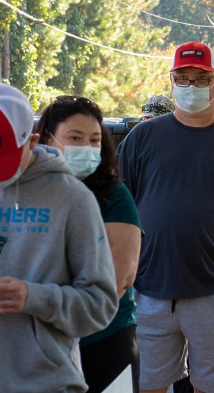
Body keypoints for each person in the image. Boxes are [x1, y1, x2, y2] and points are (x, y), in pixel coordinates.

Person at [118, 41, 214, 393]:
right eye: (183, 78)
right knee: (147, 387)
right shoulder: (142, 138)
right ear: (171, 80)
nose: (191, 86)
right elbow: (119, 212)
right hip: (150, 293)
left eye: (201, 78)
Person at [0, 84, 117, 392]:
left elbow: (100, 305)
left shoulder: (73, 199)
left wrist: (33, 297)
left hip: (45, 382)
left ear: (33, 141)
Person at [37, 95, 142, 393]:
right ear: (46, 138)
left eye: (95, 140)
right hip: (41, 346)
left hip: (105, 340)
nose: (86, 147)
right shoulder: (26, 192)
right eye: (75, 137)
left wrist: (38, 298)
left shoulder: (114, 196)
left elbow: (119, 279)